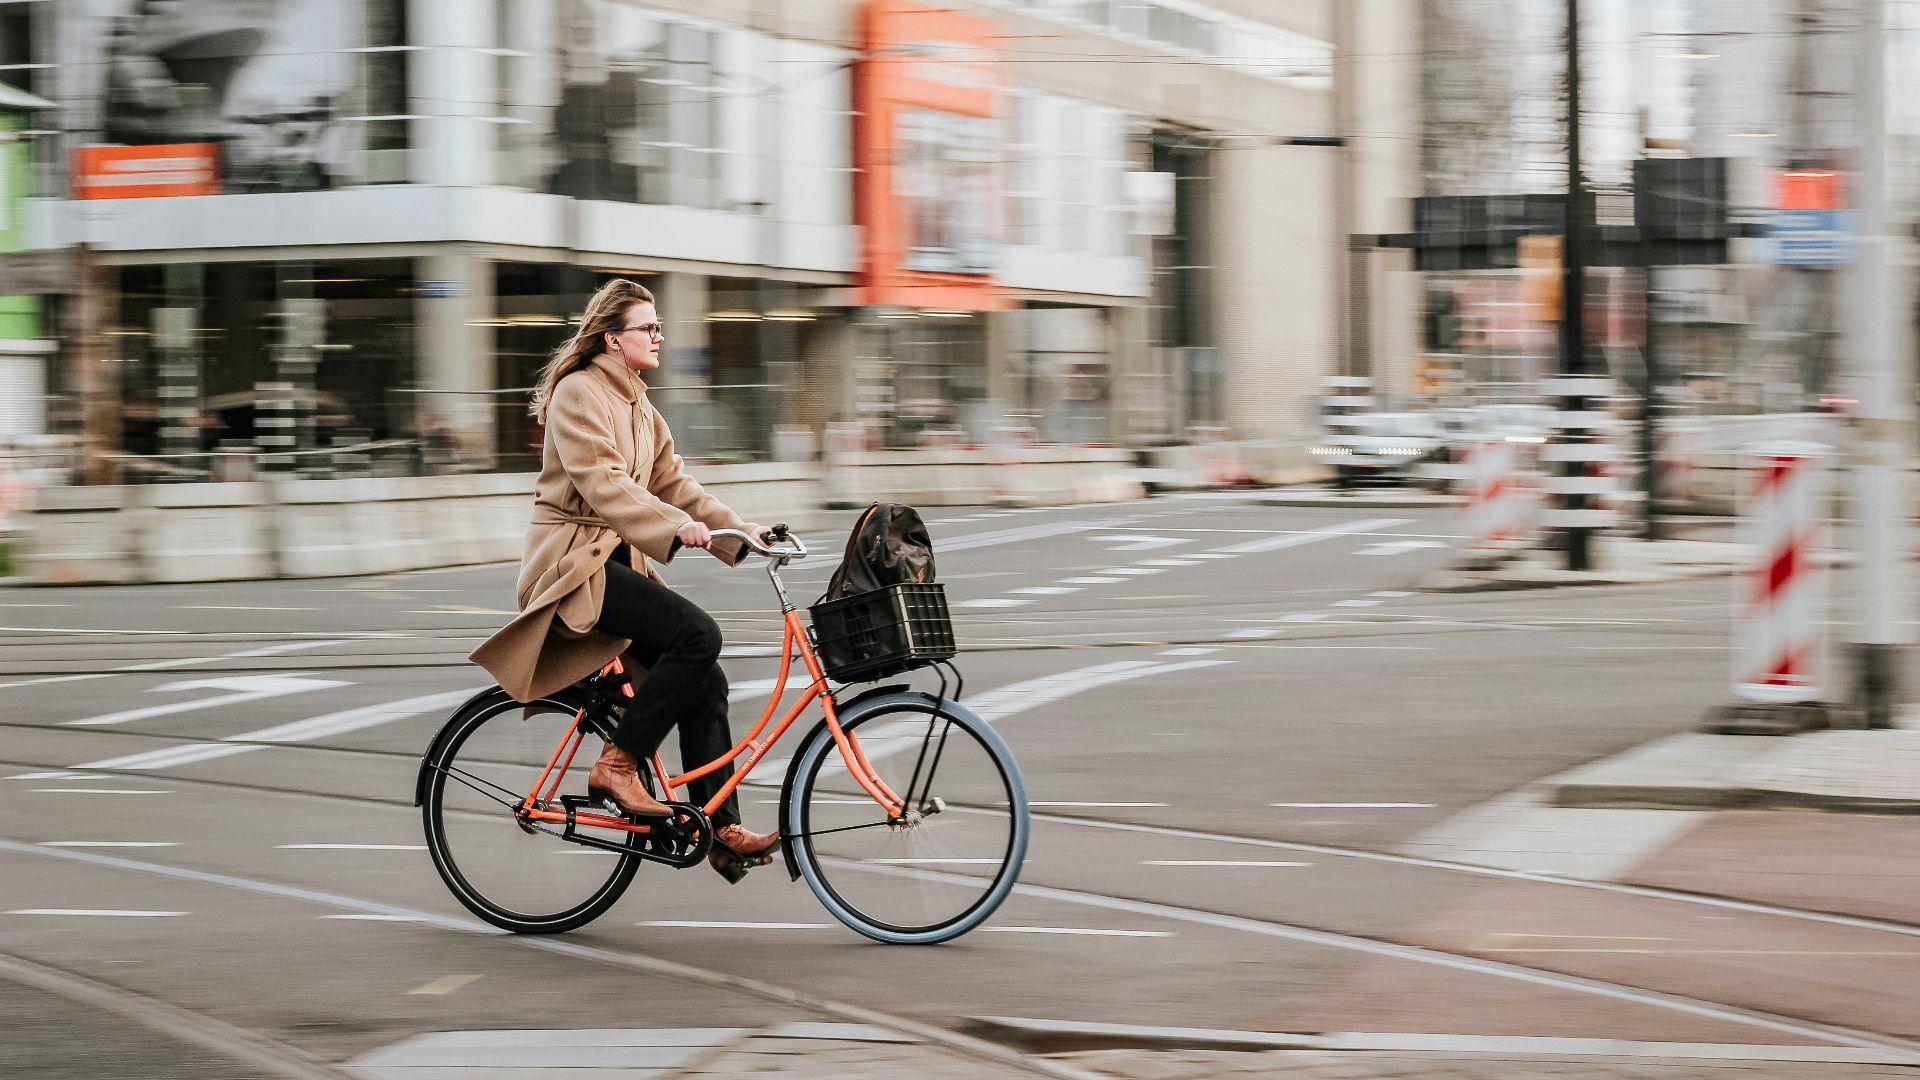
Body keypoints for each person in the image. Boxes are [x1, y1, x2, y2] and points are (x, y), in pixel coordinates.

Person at [469, 279, 781, 880]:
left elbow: (676, 485)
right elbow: (605, 485)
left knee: (706, 680)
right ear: (613, 338)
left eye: (659, 326)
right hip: (574, 564)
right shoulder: (578, 394)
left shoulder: (641, 406)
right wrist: (674, 527)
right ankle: (617, 766)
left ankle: (718, 828)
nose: (659, 336)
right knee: (699, 635)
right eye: (648, 327)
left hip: (614, 563)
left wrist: (743, 532)